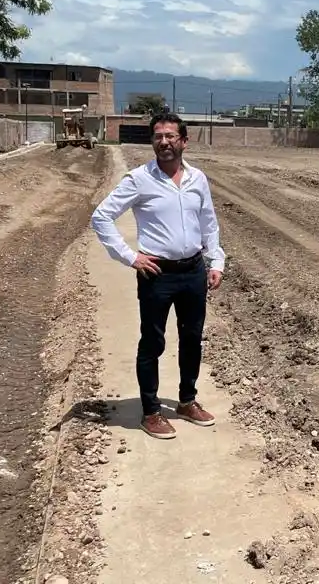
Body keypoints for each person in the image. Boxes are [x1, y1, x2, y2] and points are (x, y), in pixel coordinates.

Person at [90, 112, 225, 440]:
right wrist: (130, 256)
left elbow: (208, 223)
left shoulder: (198, 179)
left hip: (193, 271)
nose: (164, 142)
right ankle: (150, 411)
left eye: (170, 136)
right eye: (158, 137)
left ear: (184, 141)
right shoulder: (139, 179)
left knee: (192, 338)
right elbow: (101, 216)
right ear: (152, 142)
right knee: (153, 342)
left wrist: (216, 260)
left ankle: (187, 401)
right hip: (158, 274)